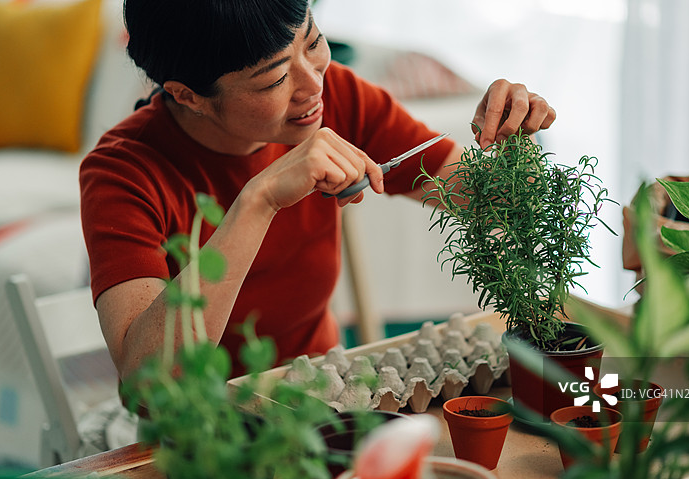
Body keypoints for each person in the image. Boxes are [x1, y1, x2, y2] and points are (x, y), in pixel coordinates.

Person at [80, 0, 556, 381]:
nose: (312, 85)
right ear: (188, 95)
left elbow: (498, 208)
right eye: (275, 79)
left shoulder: (340, 97)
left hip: (322, 394)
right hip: (205, 440)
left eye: (313, 42)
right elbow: (148, 384)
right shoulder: (123, 172)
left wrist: (514, 139)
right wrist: (259, 200)